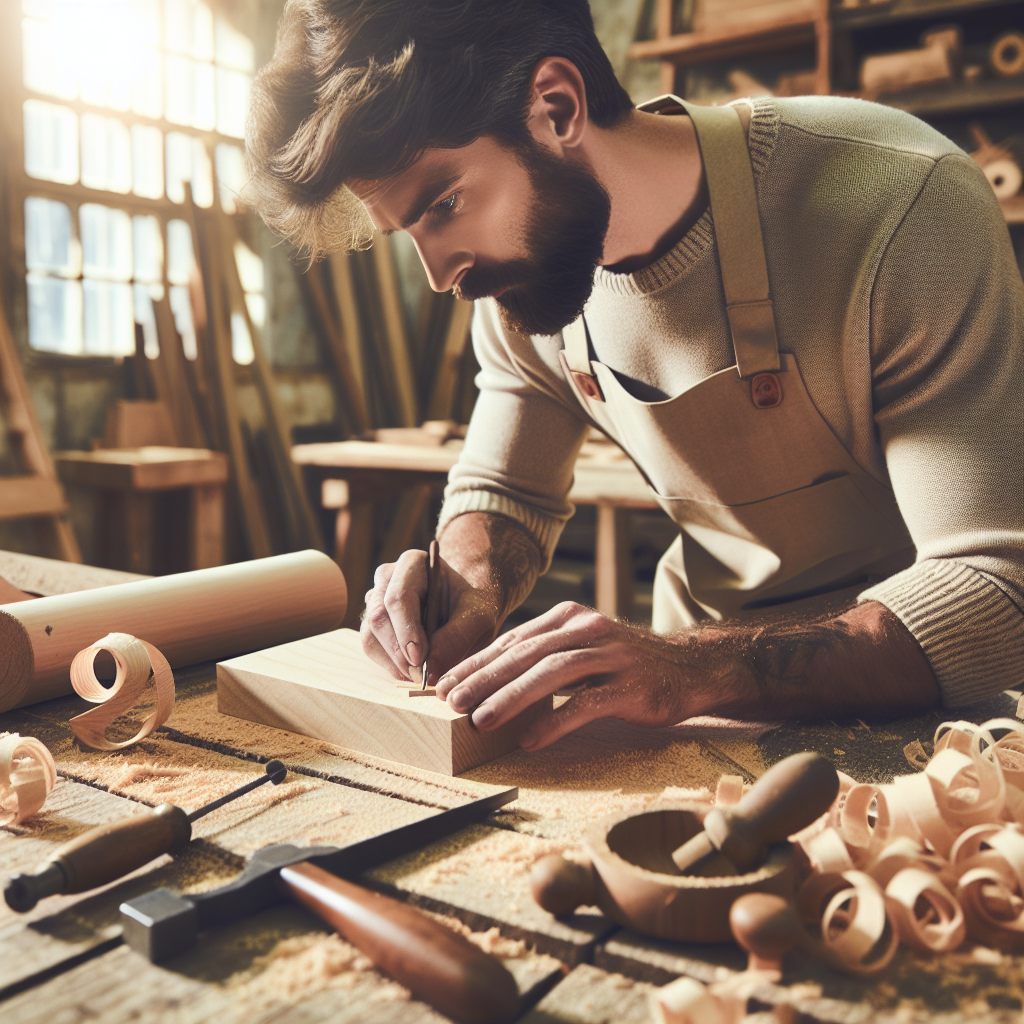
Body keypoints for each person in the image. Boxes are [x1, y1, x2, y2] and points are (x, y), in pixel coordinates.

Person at [245, 0, 1024, 751]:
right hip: (699, 712)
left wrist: (692, 666)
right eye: (407, 232)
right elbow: (504, 493)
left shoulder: (900, 204)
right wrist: (465, 585)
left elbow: (997, 593)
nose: (442, 275)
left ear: (556, 106)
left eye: (444, 204)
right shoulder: (523, 280)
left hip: (936, 727)